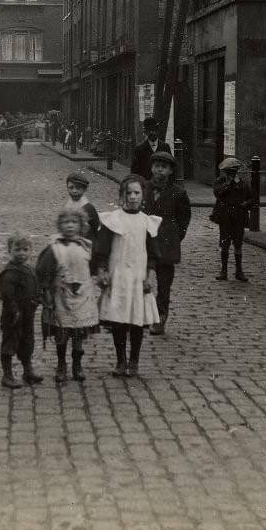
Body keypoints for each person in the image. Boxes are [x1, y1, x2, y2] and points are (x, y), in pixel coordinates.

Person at [92, 175, 161, 378]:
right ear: (122, 195)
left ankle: (134, 360)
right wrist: (103, 271)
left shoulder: (146, 222)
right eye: (128, 193)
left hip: (138, 279)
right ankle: (121, 359)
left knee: (136, 321)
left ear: (143, 196)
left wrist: (148, 276)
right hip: (118, 278)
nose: (132, 197)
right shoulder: (113, 220)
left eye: (136, 193)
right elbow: (102, 250)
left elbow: (152, 253)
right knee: (119, 321)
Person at [36, 210, 99, 384]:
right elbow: (43, 271)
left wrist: (100, 274)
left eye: (74, 222)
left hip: (82, 297)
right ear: (60, 225)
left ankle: (77, 364)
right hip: (61, 296)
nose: (70, 226)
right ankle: (61, 364)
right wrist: (46, 290)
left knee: (79, 333)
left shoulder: (86, 246)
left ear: (81, 226)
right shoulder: (54, 248)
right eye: (65, 222)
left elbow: (94, 266)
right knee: (62, 332)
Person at [143, 151, 191, 335]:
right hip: (143, 244)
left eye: (164, 167)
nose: (159, 170)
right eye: (156, 166)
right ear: (151, 167)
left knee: (164, 286)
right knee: (138, 280)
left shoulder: (178, 193)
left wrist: (175, 237)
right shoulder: (142, 188)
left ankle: (159, 318)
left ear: (171, 171)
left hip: (166, 245)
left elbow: (184, 218)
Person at [0, 233, 44, 389]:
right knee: (10, 342)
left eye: (25, 249)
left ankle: (27, 370)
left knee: (27, 341)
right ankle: (7, 375)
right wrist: (14, 310)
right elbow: (7, 295)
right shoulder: (9, 273)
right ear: (10, 250)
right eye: (17, 249)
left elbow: (36, 286)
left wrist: (39, 298)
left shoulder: (30, 269)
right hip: (13, 316)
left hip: (28, 314)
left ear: (31, 251)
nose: (22, 253)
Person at [211, 156, 253, 282]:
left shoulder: (243, 184)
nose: (231, 174)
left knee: (238, 244)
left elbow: (251, 198)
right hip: (225, 218)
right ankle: (223, 271)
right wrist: (228, 184)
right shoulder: (220, 182)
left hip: (238, 217)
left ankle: (239, 271)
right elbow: (217, 193)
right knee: (224, 244)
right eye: (229, 172)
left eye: (233, 171)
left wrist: (245, 205)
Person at [130, 115, 170, 181]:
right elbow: (134, 172)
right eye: (149, 130)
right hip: (145, 185)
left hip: (162, 185)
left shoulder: (165, 147)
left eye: (154, 130)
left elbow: (170, 168)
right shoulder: (139, 149)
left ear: (157, 131)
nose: (152, 132)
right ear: (145, 132)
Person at [64, 170, 100, 239]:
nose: (74, 191)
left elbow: (96, 227)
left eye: (78, 188)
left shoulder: (88, 208)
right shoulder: (68, 204)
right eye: (71, 187)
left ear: (84, 189)